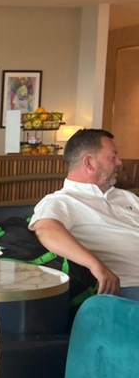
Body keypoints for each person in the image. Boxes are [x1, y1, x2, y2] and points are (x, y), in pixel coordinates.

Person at [30, 128, 139, 299]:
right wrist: (96, 266)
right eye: (112, 157)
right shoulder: (62, 200)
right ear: (89, 162)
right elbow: (46, 230)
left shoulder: (127, 197)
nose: (119, 162)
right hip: (125, 288)